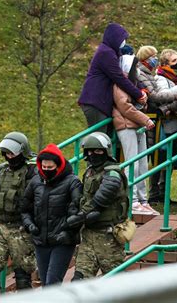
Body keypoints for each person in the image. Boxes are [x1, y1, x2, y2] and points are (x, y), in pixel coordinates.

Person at [0, 132, 37, 295]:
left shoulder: (31, 172)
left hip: (21, 230)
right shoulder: (1, 171)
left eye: (13, 153)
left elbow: (37, 200)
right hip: (1, 228)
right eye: (7, 153)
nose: (9, 157)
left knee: (22, 278)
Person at [69, 132, 129, 280]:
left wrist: (82, 214)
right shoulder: (90, 172)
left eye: (97, 151)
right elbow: (85, 196)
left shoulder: (112, 173)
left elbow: (104, 194)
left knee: (115, 284)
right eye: (89, 151)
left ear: (106, 151)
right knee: (79, 280)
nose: (93, 154)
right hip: (89, 235)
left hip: (109, 236)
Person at [20, 144, 82, 286]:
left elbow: (78, 211)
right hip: (40, 240)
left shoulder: (72, 182)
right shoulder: (35, 181)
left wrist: (67, 231)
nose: (46, 170)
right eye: (44, 167)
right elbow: (24, 208)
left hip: (63, 241)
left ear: (58, 166)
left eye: (50, 168)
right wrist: (30, 225)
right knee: (45, 283)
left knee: (52, 283)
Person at [137, 46, 177, 208]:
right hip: (165, 124)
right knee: (161, 158)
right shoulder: (161, 78)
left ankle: (162, 192)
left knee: (168, 160)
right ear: (165, 63)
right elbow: (162, 98)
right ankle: (155, 192)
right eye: (174, 60)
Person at [78, 22, 147, 134]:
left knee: (104, 140)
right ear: (114, 38)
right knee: (98, 141)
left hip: (100, 102)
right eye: (122, 39)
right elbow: (119, 77)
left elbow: (123, 76)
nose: (123, 42)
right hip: (96, 102)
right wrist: (138, 94)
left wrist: (140, 89)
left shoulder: (110, 52)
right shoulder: (106, 53)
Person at [112, 54, 156, 214]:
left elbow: (135, 104)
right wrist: (145, 119)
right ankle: (132, 199)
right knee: (133, 164)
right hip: (126, 125)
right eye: (135, 67)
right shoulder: (120, 84)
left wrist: (143, 101)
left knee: (143, 164)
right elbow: (125, 107)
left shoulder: (134, 84)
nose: (137, 70)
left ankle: (143, 200)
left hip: (138, 126)